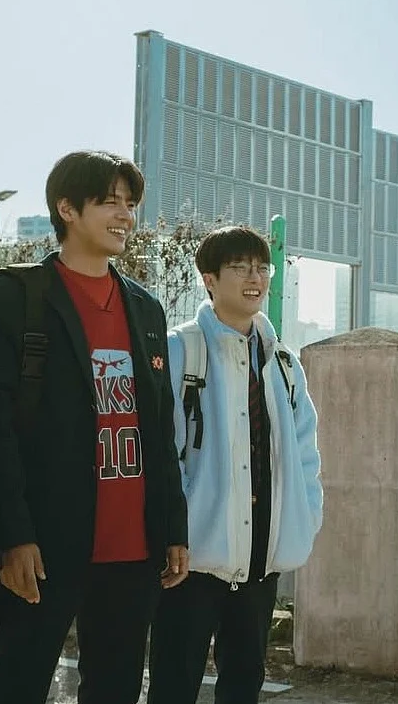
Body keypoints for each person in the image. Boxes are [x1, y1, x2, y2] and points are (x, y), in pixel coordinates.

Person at [0, 150, 188, 704]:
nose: (125, 215)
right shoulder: (13, 297)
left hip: (133, 544)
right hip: (45, 541)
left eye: (130, 204)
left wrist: (173, 526)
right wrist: (13, 535)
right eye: (109, 202)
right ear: (66, 209)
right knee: (16, 684)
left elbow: (159, 428)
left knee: (116, 689)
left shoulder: (146, 309)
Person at [147, 225, 323, 704]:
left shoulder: (283, 361)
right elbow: (163, 452)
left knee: (245, 681)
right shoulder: (182, 350)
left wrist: (305, 519)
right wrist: (173, 530)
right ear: (209, 279)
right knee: (174, 682)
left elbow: (305, 450)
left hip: (261, 553)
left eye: (262, 268)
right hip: (190, 558)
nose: (254, 278)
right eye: (240, 268)